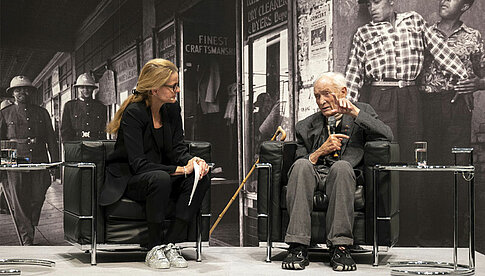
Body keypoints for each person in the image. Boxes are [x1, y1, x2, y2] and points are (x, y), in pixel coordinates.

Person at [100, 59, 210, 269]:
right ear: (154, 88)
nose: (177, 90)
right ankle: (154, 247)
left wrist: (192, 161)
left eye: (177, 85)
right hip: (131, 177)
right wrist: (180, 169)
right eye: (172, 86)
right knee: (160, 178)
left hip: (160, 175)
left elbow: (178, 147)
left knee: (201, 176)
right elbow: (139, 164)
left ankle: (171, 244)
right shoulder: (134, 112)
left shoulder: (171, 109)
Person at [281, 72, 393, 271]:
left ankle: (340, 247)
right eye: (317, 96)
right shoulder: (305, 126)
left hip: (344, 175)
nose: (321, 101)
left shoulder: (362, 112)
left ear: (343, 92)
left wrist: (355, 114)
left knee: (341, 168)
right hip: (314, 174)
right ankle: (298, 247)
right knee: (301, 166)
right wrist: (320, 151)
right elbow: (299, 161)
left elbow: (387, 135)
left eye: (326, 94)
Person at [345, 0, 469, 162]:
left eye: (376, 2)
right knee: (384, 148)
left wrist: (463, 78)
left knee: (414, 148)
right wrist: (346, 108)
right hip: (381, 96)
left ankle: (411, 188)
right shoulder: (363, 33)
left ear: (391, 1)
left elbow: (440, 51)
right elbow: (354, 74)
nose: (372, 9)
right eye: (368, 5)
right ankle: (386, 188)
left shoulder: (414, 21)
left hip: (411, 96)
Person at [419, 0, 485, 164]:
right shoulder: (424, 33)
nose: (444, 1)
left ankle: (455, 190)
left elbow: (483, 73)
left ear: (464, 6)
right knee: (428, 159)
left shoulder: (472, 37)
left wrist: (478, 84)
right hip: (427, 104)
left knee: (457, 160)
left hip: (458, 106)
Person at [0, 76, 59, 245]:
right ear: (12, 93)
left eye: (25, 89)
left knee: (38, 197)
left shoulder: (41, 112)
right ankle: (27, 237)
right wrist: (5, 166)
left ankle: (30, 223)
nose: (22, 92)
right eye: (18, 90)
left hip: (39, 159)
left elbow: (51, 139)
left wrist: (54, 164)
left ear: (31, 92)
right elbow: (1, 140)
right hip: (15, 161)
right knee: (19, 200)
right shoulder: (5, 113)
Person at [61, 73, 107, 142]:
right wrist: (69, 148)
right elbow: (65, 131)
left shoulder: (100, 107)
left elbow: (103, 129)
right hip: (76, 146)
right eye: (82, 87)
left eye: (88, 87)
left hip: (96, 145)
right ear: (78, 89)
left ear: (93, 89)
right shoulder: (69, 106)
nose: (85, 90)